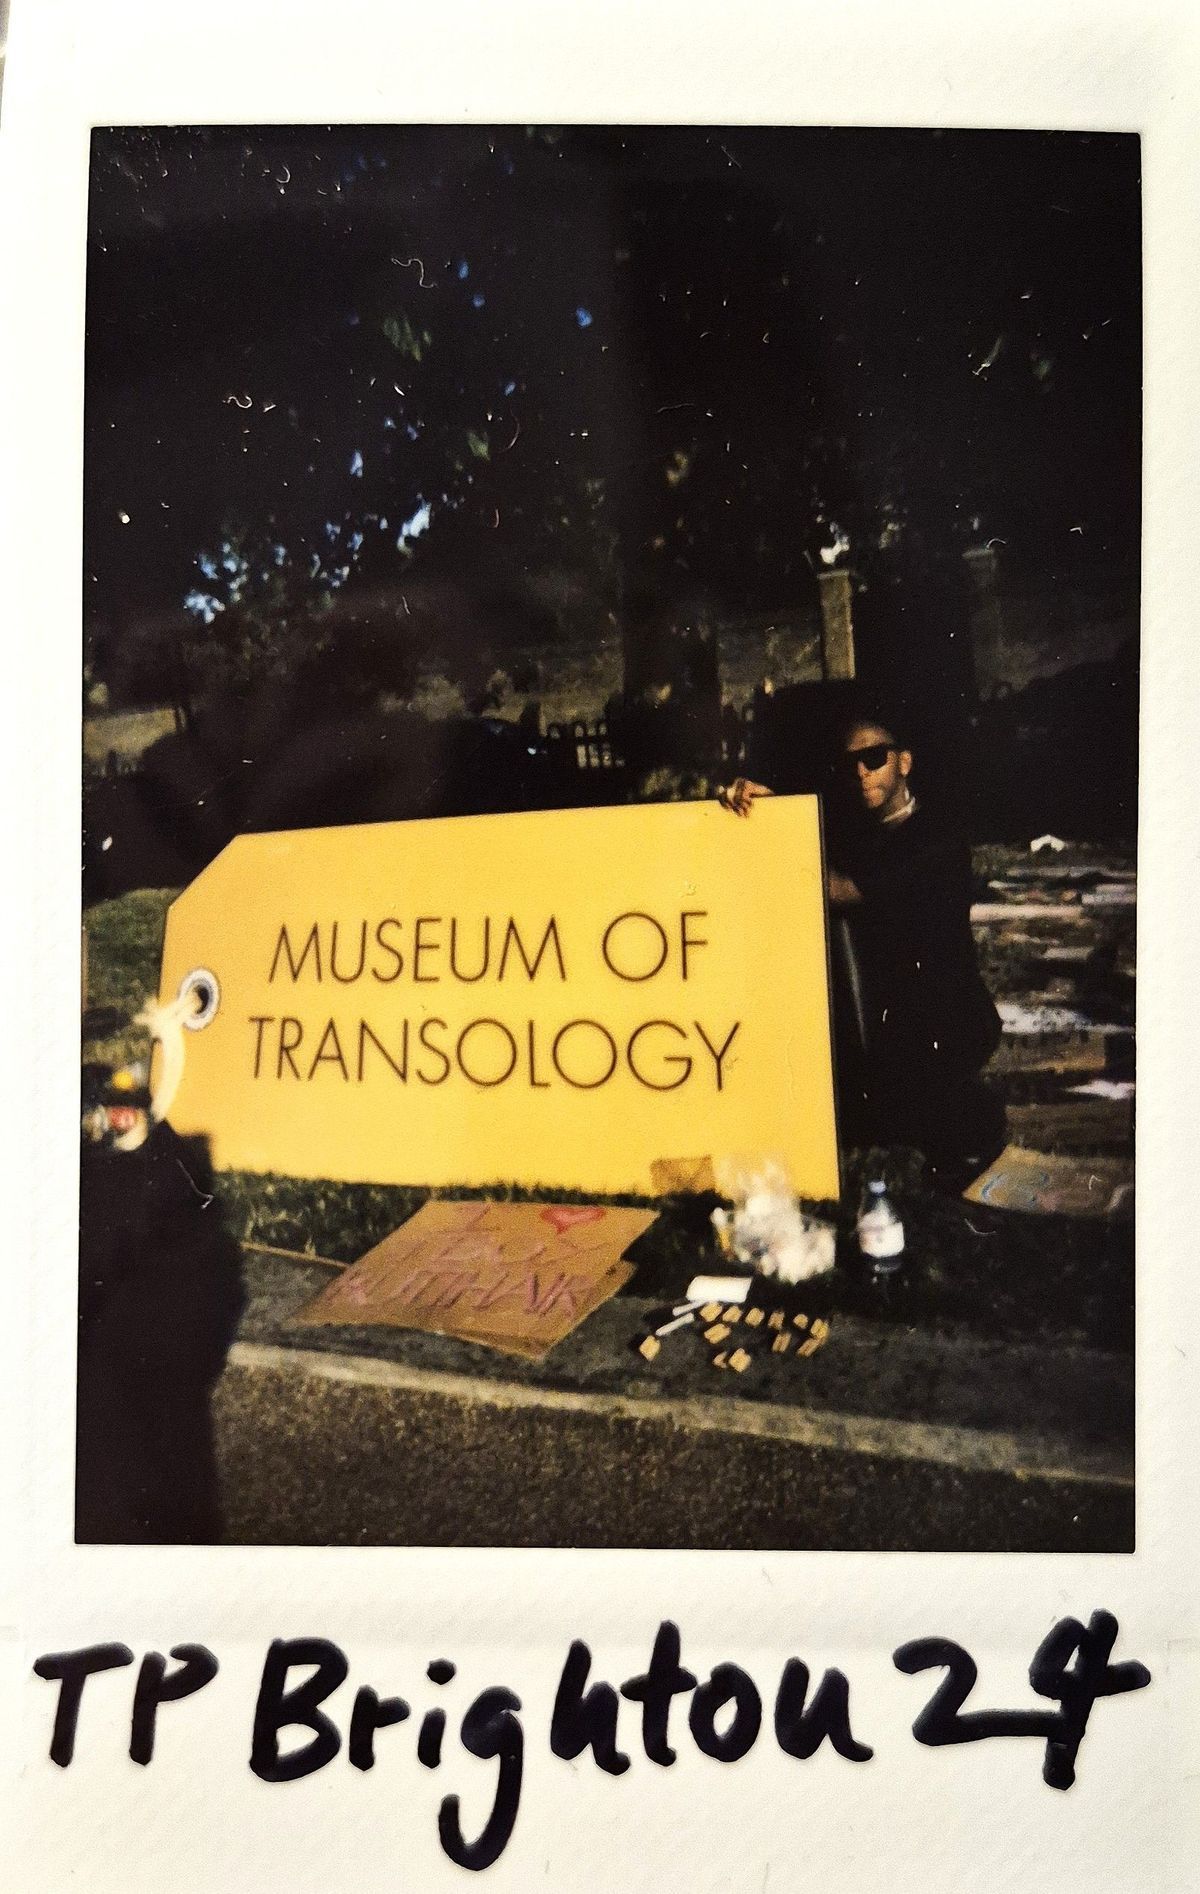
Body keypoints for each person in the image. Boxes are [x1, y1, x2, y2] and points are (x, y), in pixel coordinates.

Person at [720, 713, 1006, 1189]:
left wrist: (777, 828)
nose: (861, 772)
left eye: (874, 758)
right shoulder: (862, 831)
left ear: (904, 762)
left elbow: (841, 888)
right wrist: (760, 807)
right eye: (851, 762)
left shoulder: (935, 836)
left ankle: (972, 1128)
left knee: (932, 1157)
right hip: (888, 1024)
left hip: (943, 1024)